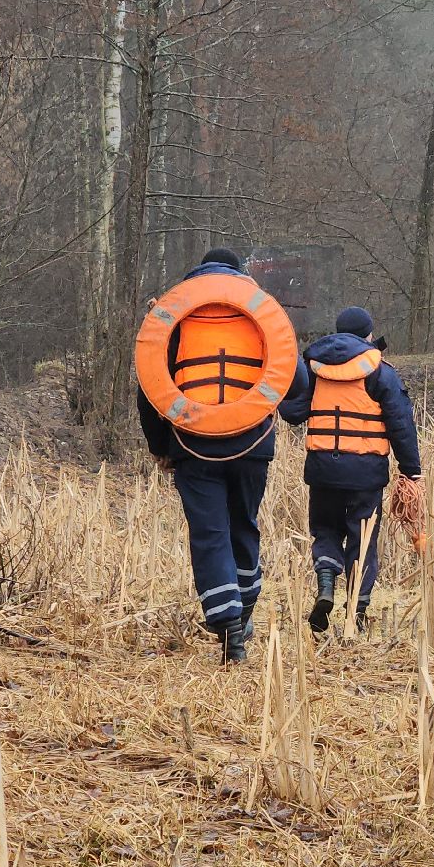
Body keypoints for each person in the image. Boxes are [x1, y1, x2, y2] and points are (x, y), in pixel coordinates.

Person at [138, 248, 304, 663]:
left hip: (194, 447)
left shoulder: (174, 315)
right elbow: (297, 384)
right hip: (252, 445)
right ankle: (244, 605)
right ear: (239, 275)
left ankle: (228, 624)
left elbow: (150, 389)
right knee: (243, 525)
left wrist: (161, 447)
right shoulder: (262, 312)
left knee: (210, 533)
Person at [279, 306, 421, 633]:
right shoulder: (380, 372)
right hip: (366, 473)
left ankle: (326, 582)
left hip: (322, 470)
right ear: (369, 335)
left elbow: (292, 413)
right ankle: (355, 612)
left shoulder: (314, 369)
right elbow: (401, 425)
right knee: (362, 539)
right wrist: (411, 470)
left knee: (326, 530)